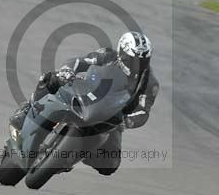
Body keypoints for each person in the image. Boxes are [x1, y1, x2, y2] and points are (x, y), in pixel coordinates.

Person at [10, 31, 160, 176]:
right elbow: (80, 61)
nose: (137, 64)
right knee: (52, 78)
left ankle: (73, 155)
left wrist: (129, 121)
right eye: (133, 59)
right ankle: (26, 110)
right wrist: (67, 71)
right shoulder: (108, 55)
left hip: (113, 117)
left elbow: (143, 110)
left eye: (142, 61)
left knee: (109, 165)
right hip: (86, 92)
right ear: (122, 53)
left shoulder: (149, 83)